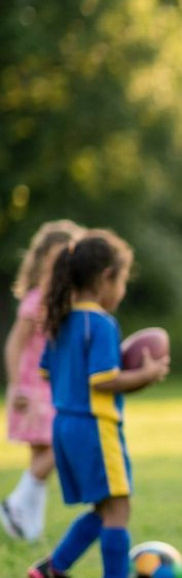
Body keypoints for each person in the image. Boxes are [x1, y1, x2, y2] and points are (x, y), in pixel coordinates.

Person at [26, 229, 169, 578]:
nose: (121, 291)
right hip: (95, 428)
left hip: (64, 426)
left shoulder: (61, 320)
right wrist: (146, 375)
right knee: (119, 507)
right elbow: (104, 380)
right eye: (122, 281)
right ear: (107, 277)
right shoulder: (101, 323)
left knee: (103, 508)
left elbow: (47, 372)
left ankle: (53, 570)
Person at [3, 220, 81, 541]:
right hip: (35, 387)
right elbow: (15, 344)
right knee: (61, 445)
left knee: (41, 459)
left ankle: (29, 526)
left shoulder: (69, 300)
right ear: (44, 260)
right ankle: (16, 503)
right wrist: (15, 386)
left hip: (54, 385)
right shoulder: (38, 300)